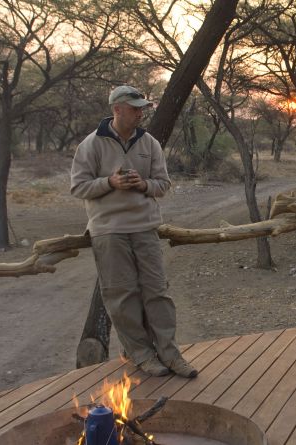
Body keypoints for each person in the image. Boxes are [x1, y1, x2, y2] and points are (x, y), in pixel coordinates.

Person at [70, 85, 197, 378]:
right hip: (108, 230)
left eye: (142, 108)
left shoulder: (149, 143)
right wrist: (109, 183)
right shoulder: (91, 145)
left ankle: (170, 353)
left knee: (157, 292)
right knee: (121, 296)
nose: (141, 113)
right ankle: (141, 355)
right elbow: (78, 187)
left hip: (145, 227)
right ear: (117, 109)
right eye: (135, 108)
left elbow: (162, 184)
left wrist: (143, 184)